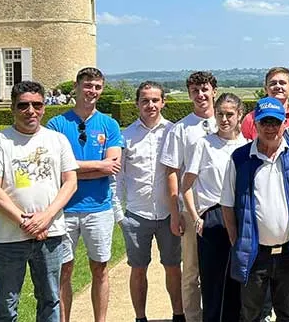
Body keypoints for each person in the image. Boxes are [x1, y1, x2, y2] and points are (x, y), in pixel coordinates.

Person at [0, 80, 79, 322]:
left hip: (51, 234)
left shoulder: (57, 140)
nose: (31, 111)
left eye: (37, 104)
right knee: (7, 303)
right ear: (12, 108)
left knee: (50, 300)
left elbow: (70, 183)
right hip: (9, 237)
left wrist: (45, 218)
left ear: (44, 107)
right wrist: (26, 222)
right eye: (23, 106)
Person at [221, 97, 289, 322]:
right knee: (251, 314)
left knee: (287, 314)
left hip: (287, 252)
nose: (270, 128)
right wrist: (237, 241)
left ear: (284, 122)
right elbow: (227, 205)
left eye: (275, 122)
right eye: (265, 122)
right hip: (254, 252)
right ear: (255, 123)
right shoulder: (240, 158)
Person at [48, 67, 124, 322]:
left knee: (100, 269)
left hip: (99, 209)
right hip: (64, 209)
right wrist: (97, 167)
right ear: (77, 86)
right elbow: (56, 169)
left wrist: (74, 169)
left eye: (97, 87)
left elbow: (112, 166)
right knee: (64, 270)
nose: (92, 91)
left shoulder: (108, 123)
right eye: (88, 85)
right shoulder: (57, 124)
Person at [115, 81, 185, 322]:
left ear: (163, 102)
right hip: (136, 214)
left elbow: (181, 172)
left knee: (173, 267)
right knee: (138, 269)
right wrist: (119, 215)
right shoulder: (126, 136)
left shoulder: (174, 132)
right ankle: (140, 318)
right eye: (145, 100)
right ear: (137, 104)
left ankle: (178, 315)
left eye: (155, 100)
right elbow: (119, 177)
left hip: (169, 213)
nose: (150, 105)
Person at [182, 93, 250, 322]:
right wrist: (196, 218)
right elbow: (186, 186)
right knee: (212, 282)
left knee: (238, 280)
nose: (224, 118)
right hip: (212, 217)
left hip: (240, 217)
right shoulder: (204, 143)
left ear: (240, 115)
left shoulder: (247, 147)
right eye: (220, 113)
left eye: (230, 114)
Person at [160, 71, 221, 322]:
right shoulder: (181, 128)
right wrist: (176, 213)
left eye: (204, 89)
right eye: (195, 90)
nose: (200, 94)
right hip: (192, 208)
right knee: (191, 272)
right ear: (189, 94)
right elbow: (172, 172)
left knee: (222, 268)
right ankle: (194, 318)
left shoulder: (226, 121)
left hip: (224, 207)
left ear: (213, 91)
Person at [241, 67, 289, 140]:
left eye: (282, 83)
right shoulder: (250, 119)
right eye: (273, 83)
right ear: (266, 89)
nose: (278, 86)